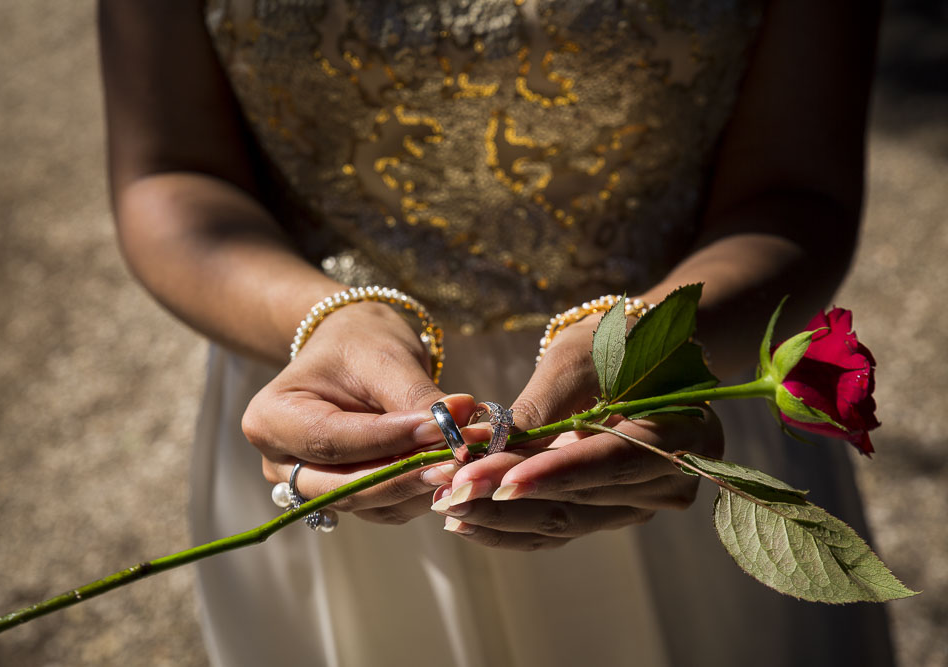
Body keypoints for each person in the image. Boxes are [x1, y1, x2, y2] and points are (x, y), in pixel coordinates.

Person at [99, 0, 894, 665]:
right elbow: (168, 173)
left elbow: (799, 185)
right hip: (334, 401)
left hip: (661, 395)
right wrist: (326, 317)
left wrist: (650, 340)